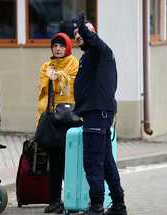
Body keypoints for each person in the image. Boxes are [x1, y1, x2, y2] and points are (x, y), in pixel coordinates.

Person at [72, 14, 128, 215]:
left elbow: (91, 38)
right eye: (75, 34)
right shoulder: (90, 56)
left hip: (97, 113)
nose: (77, 36)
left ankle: (96, 206)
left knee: (92, 160)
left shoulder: (100, 50)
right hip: (96, 112)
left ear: (91, 33)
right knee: (105, 161)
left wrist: (82, 25)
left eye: (80, 33)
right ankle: (119, 204)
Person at [36, 32, 79, 214]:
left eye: (61, 46)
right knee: (54, 164)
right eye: (55, 46)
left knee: (71, 163)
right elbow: (42, 90)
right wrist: (50, 77)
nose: (58, 49)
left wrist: (59, 76)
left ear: (67, 47)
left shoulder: (74, 63)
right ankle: (54, 200)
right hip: (52, 120)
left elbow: (73, 83)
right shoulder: (46, 66)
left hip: (70, 119)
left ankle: (72, 200)